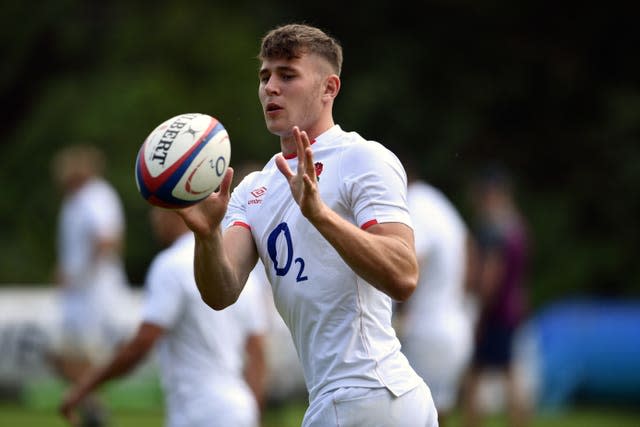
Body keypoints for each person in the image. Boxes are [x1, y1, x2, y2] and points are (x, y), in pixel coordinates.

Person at [178, 23, 438, 427]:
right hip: (348, 400)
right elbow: (220, 291)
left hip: (369, 394)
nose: (270, 88)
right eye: (265, 76)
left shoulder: (363, 158)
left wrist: (320, 216)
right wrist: (207, 235)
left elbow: (403, 274)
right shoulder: (254, 188)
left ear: (328, 88)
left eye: (287, 74)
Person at [59, 206, 267, 427]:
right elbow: (258, 353)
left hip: (198, 413)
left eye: (158, 209)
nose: (153, 218)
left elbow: (142, 344)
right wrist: (252, 410)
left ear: (176, 213)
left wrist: (85, 387)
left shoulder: (170, 265)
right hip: (238, 409)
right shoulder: (242, 274)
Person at [50, 144, 132, 426]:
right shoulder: (75, 200)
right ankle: (93, 405)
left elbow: (106, 240)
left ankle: (93, 407)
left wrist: (80, 273)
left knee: (77, 352)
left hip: (94, 291)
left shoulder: (97, 196)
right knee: (63, 353)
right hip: (78, 292)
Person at [394, 164, 477, 427]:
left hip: (428, 332)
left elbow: (413, 262)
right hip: (456, 326)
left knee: (406, 417)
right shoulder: (438, 202)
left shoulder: (415, 204)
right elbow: (470, 247)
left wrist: (397, 307)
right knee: (438, 416)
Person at [462, 165, 530, 427]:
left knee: (475, 375)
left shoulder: (495, 228)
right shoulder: (518, 226)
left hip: (496, 311)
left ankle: (474, 422)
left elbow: (493, 272)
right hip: (513, 308)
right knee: (509, 373)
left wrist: (480, 310)